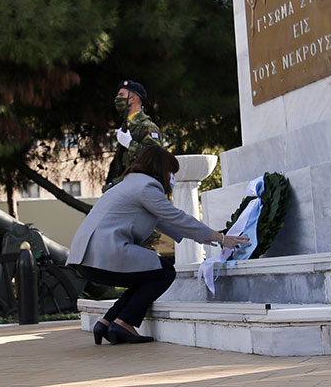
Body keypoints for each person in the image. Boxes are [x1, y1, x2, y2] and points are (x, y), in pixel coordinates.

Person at [68, 145, 250, 345]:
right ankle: (124, 322)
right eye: (171, 171)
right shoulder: (147, 187)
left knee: (145, 276)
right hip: (103, 254)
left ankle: (107, 321)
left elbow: (169, 223)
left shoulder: (130, 184)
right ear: (161, 168)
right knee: (164, 272)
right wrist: (222, 239)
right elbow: (177, 217)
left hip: (85, 257)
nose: (172, 177)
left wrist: (212, 236)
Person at [103, 80, 163, 191]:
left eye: (121, 95)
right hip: (128, 186)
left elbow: (155, 159)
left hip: (142, 188)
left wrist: (130, 144)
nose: (117, 98)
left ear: (133, 98)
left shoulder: (147, 126)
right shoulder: (128, 127)